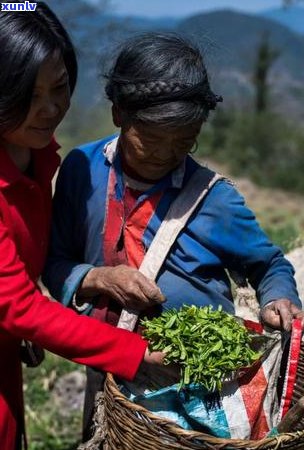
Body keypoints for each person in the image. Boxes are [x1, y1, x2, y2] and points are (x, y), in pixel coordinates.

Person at [43, 32, 304, 441]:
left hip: (194, 383)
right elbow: (54, 263)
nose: (165, 154)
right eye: (150, 139)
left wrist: (278, 297)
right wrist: (96, 278)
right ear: (119, 115)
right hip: (110, 369)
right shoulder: (82, 172)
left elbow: (268, 264)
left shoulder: (215, 200)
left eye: (184, 141)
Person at [0, 6, 166, 450]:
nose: (50, 109)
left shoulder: (36, 157)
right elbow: (19, 306)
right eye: (28, 95)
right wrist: (134, 352)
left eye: (60, 87)